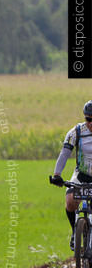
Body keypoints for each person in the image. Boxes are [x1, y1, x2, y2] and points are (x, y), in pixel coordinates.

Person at [50, 100, 92, 250]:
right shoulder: (77, 132)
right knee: (70, 201)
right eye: (89, 119)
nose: (91, 123)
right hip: (82, 175)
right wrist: (57, 174)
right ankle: (75, 231)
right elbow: (64, 154)